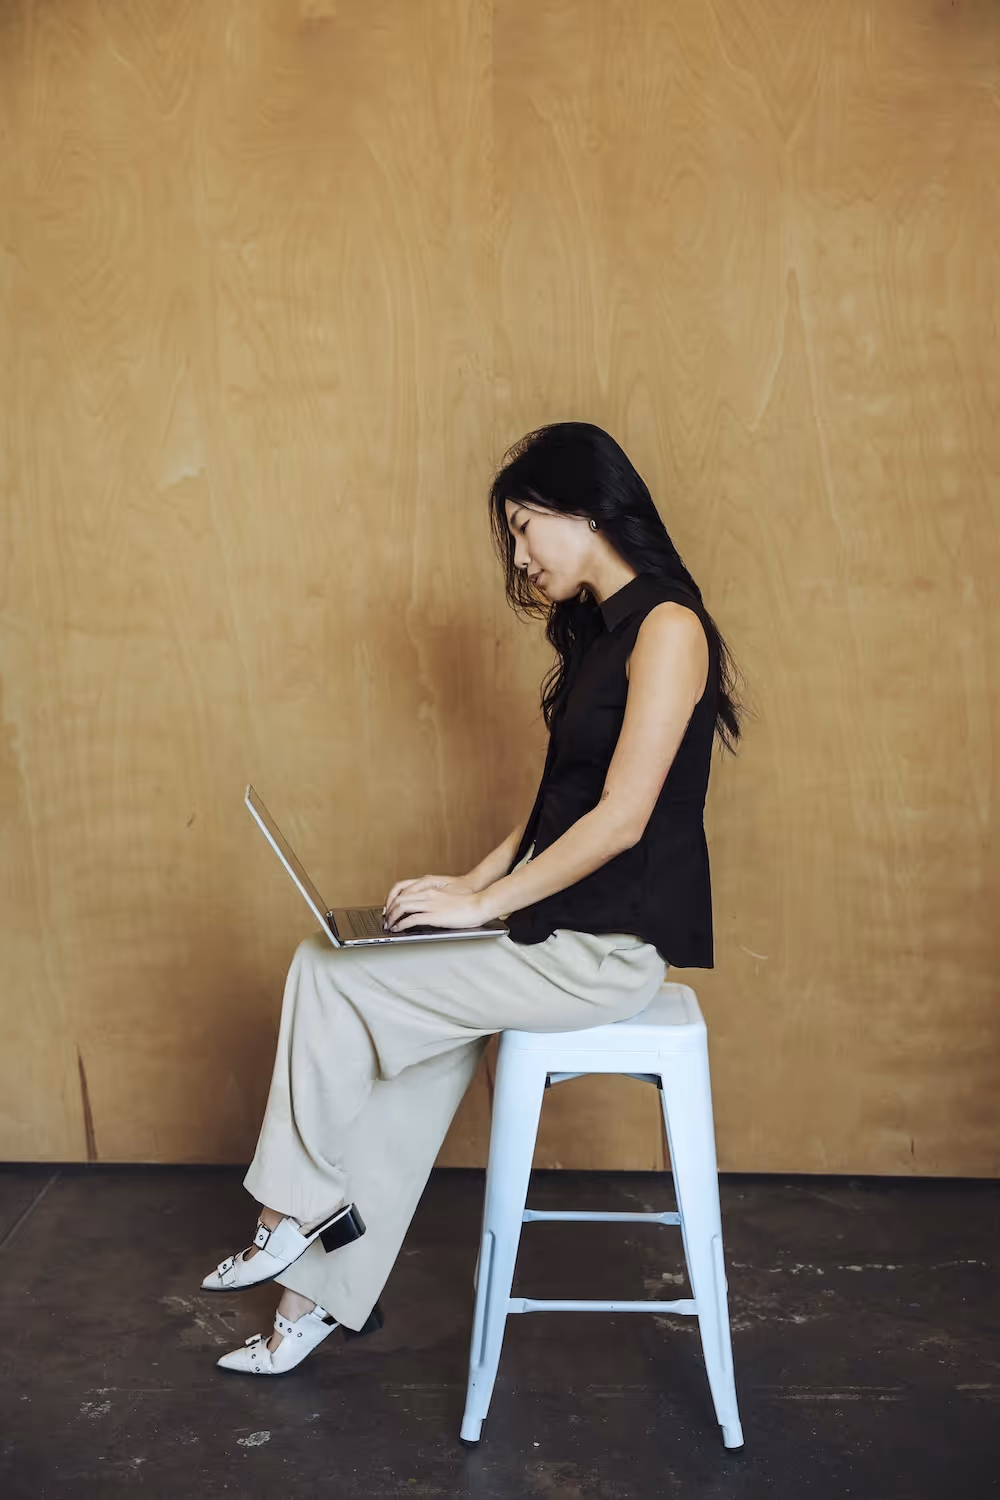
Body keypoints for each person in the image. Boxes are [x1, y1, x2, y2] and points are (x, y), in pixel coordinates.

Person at [202, 421, 744, 1376]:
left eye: (526, 526)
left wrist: (483, 909)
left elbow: (620, 820)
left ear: (585, 511)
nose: (521, 554)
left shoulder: (669, 629)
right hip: (553, 928)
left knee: (333, 978)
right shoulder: (599, 636)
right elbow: (556, 809)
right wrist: (471, 886)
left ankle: (294, 1211)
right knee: (380, 1013)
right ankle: (315, 1299)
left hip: (603, 953)